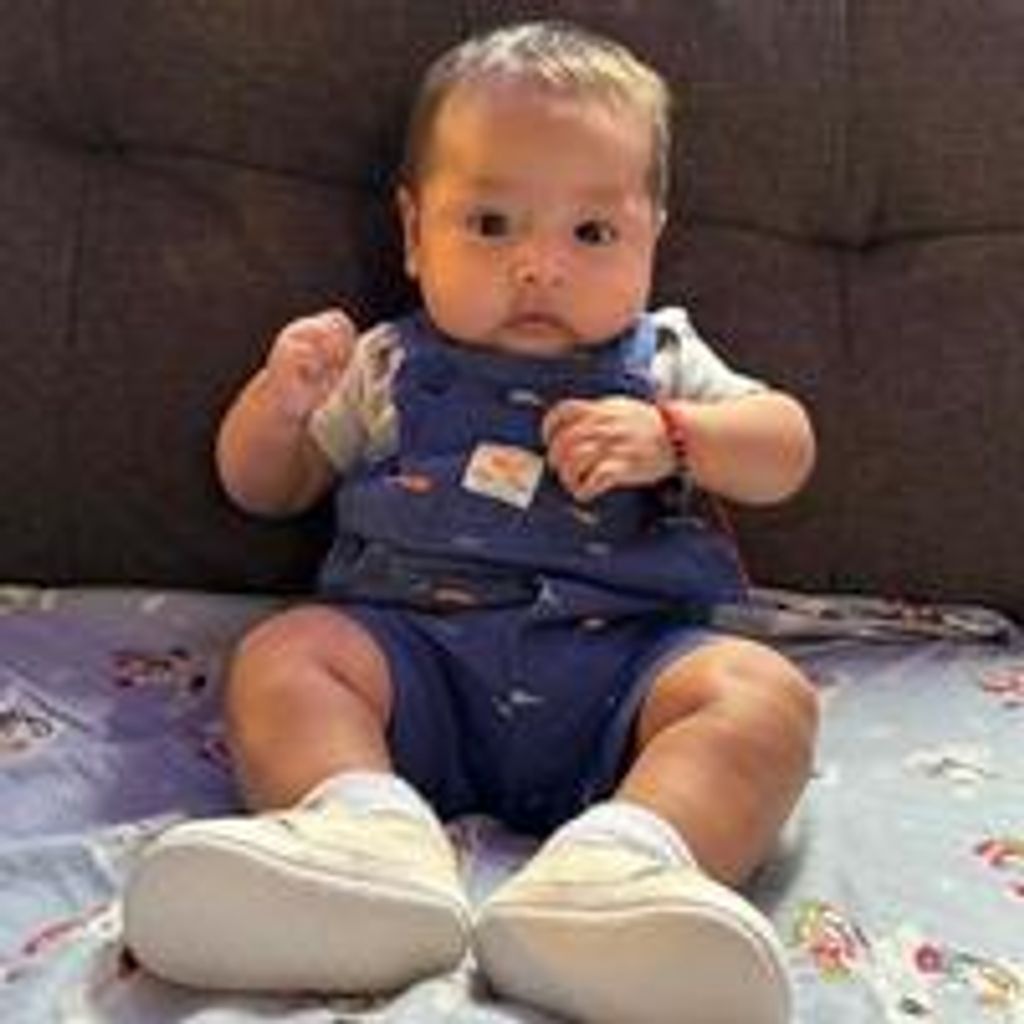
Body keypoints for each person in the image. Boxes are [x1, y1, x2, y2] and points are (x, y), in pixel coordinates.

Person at [123, 20, 818, 1024]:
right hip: (412, 668)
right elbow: (267, 487)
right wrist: (278, 406)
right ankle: (361, 840)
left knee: (763, 694)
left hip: (623, 680)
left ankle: (627, 873)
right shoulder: (386, 364)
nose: (539, 266)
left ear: (652, 238)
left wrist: (679, 436)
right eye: (490, 224)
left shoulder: (663, 358)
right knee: (286, 654)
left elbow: (786, 447)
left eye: (591, 234)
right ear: (414, 233)